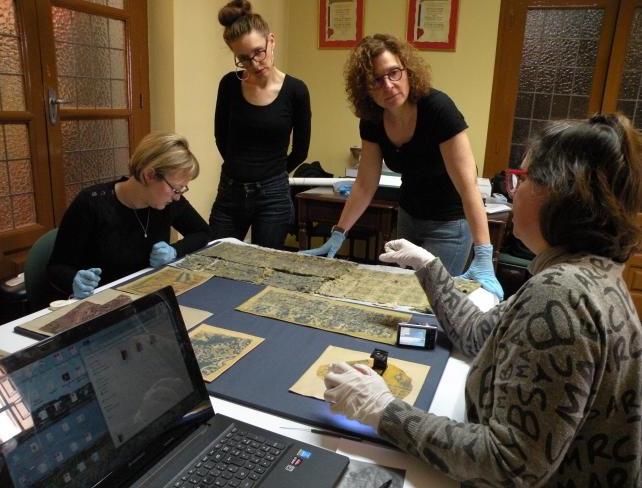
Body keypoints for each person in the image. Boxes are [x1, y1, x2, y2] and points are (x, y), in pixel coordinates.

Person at [323, 114, 642, 485]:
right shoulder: (584, 273)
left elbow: (505, 464)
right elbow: (479, 335)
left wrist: (384, 410)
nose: (512, 191)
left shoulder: (561, 295)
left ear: (558, 194)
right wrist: (429, 266)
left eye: (521, 179)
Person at [300, 34, 502, 299]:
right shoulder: (372, 119)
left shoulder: (438, 109)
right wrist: (339, 233)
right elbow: (364, 185)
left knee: (433, 301)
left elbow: (468, 189)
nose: (389, 85)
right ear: (366, 89)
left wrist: (484, 254)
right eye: (377, 80)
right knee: (402, 296)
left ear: (407, 70)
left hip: (449, 225)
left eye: (394, 73)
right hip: (408, 218)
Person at [48, 132, 211, 299]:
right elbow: (57, 267)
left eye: (181, 190)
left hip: (147, 294)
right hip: (103, 300)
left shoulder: (169, 202)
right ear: (150, 175)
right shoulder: (91, 203)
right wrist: (74, 281)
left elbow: (202, 232)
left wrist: (175, 250)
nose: (177, 196)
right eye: (175, 189)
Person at [208, 0, 311, 250]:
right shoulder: (229, 85)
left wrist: (271, 174)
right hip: (230, 191)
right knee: (214, 258)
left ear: (271, 41)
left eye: (258, 52)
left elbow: (300, 150)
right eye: (243, 58)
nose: (254, 63)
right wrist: (240, 169)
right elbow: (222, 138)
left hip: (272, 195)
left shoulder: (295, 90)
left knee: (265, 268)